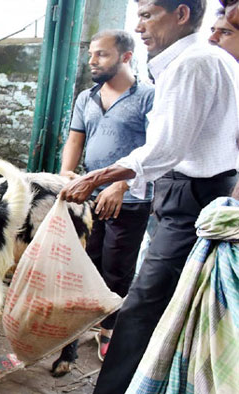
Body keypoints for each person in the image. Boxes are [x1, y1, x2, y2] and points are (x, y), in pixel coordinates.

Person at [59, 1, 239, 392]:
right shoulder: (215, 60)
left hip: (188, 198)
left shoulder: (190, 64)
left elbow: (163, 149)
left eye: (147, 15)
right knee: (171, 301)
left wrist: (99, 179)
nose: (139, 26)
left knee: (141, 305)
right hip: (201, 191)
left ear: (181, 14)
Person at [58, 30, 154, 366]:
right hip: (88, 195)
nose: (92, 61)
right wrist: (65, 176)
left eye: (101, 55)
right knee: (84, 264)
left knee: (116, 270)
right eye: (90, 55)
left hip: (129, 198)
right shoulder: (87, 97)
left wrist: (122, 185)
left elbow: (154, 150)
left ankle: (109, 328)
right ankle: (74, 333)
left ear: (126, 57)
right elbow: (75, 140)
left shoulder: (148, 97)